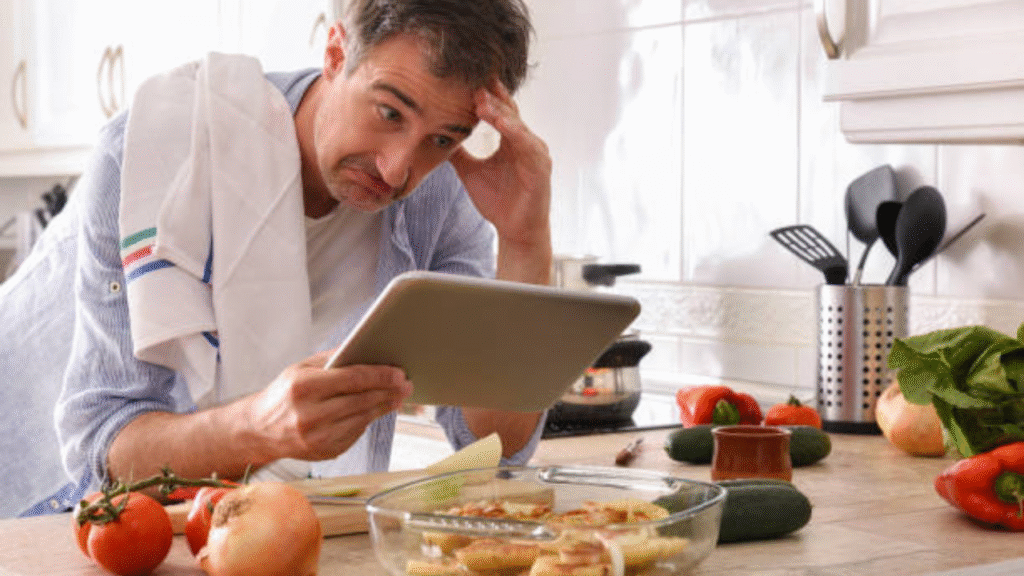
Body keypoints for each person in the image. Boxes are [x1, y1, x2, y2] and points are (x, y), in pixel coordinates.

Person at [0, 0, 550, 518]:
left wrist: (523, 240)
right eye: (389, 112)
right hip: (36, 464)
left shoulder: (438, 193)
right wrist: (261, 428)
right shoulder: (150, 152)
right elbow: (103, 449)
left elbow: (493, 444)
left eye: (443, 139)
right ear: (335, 53)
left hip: (218, 517)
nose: (397, 169)